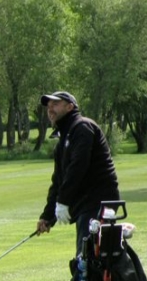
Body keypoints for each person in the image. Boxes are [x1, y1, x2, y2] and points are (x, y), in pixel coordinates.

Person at [36, 91, 120, 255]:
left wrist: (63, 201)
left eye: (55, 104)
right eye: (49, 105)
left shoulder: (82, 127)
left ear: (70, 107)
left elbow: (78, 167)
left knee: (87, 257)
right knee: (87, 258)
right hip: (85, 204)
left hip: (99, 200)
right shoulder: (63, 140)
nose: (50, 108)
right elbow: (58, 180)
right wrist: (47, 217)